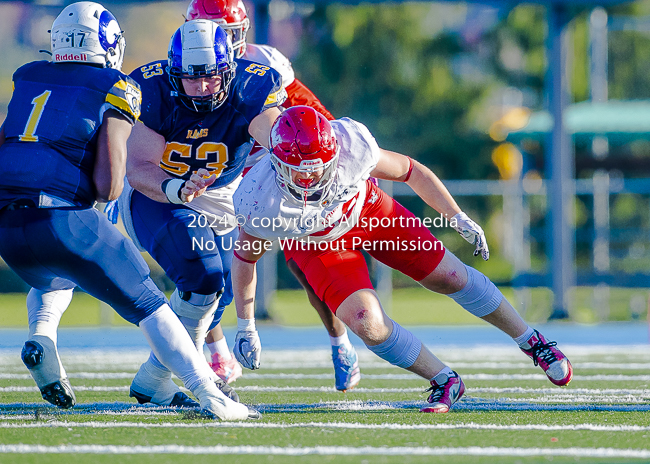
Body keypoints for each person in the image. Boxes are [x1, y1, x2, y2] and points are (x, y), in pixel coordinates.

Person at [0, 1, 256, 421]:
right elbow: (110, 184)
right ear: (108, 44)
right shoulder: (117, 85)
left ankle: (41, 335)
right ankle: (211, 395)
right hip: (62, 219)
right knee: (151, 305)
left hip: (9, 228)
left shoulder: (27, 76)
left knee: (55, 273)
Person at [230, 106, 574, 413]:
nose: (308, 179)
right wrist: (246, 325)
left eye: (316, 170)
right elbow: (245, 258)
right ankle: (443, 379)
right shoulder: (259, 198)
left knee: (451, 276)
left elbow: (411, 171)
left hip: (368, 211)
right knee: (368, 323)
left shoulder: (353, 146)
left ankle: (533, 342)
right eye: (297, 172)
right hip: (316, 243)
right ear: (275, 162)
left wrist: (455, 215)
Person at [186, 0, 360, 392]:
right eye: (212, 31)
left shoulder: (267, 63)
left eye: (228, 32)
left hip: (268, 174)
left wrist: (333, 156)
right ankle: (218, 355)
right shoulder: (183, 64)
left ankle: (340, 342)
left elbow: (312, 113)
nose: (221, 41)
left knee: (305, 267)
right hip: (212, 175)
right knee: (200, 263)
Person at [118, 18, 286, 406]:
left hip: (221, 192)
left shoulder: (251, 87)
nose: (203, 87)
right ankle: (198, 381)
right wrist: (175, 188)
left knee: (217, 292)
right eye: (191, 78)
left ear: (228, 69)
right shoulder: (151, 88)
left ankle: (153, 380)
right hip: (158, 191)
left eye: (212, 77)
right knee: (203, 273)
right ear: (175, 73)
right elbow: (140, 168)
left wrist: (294, 163)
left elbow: (275, 137)